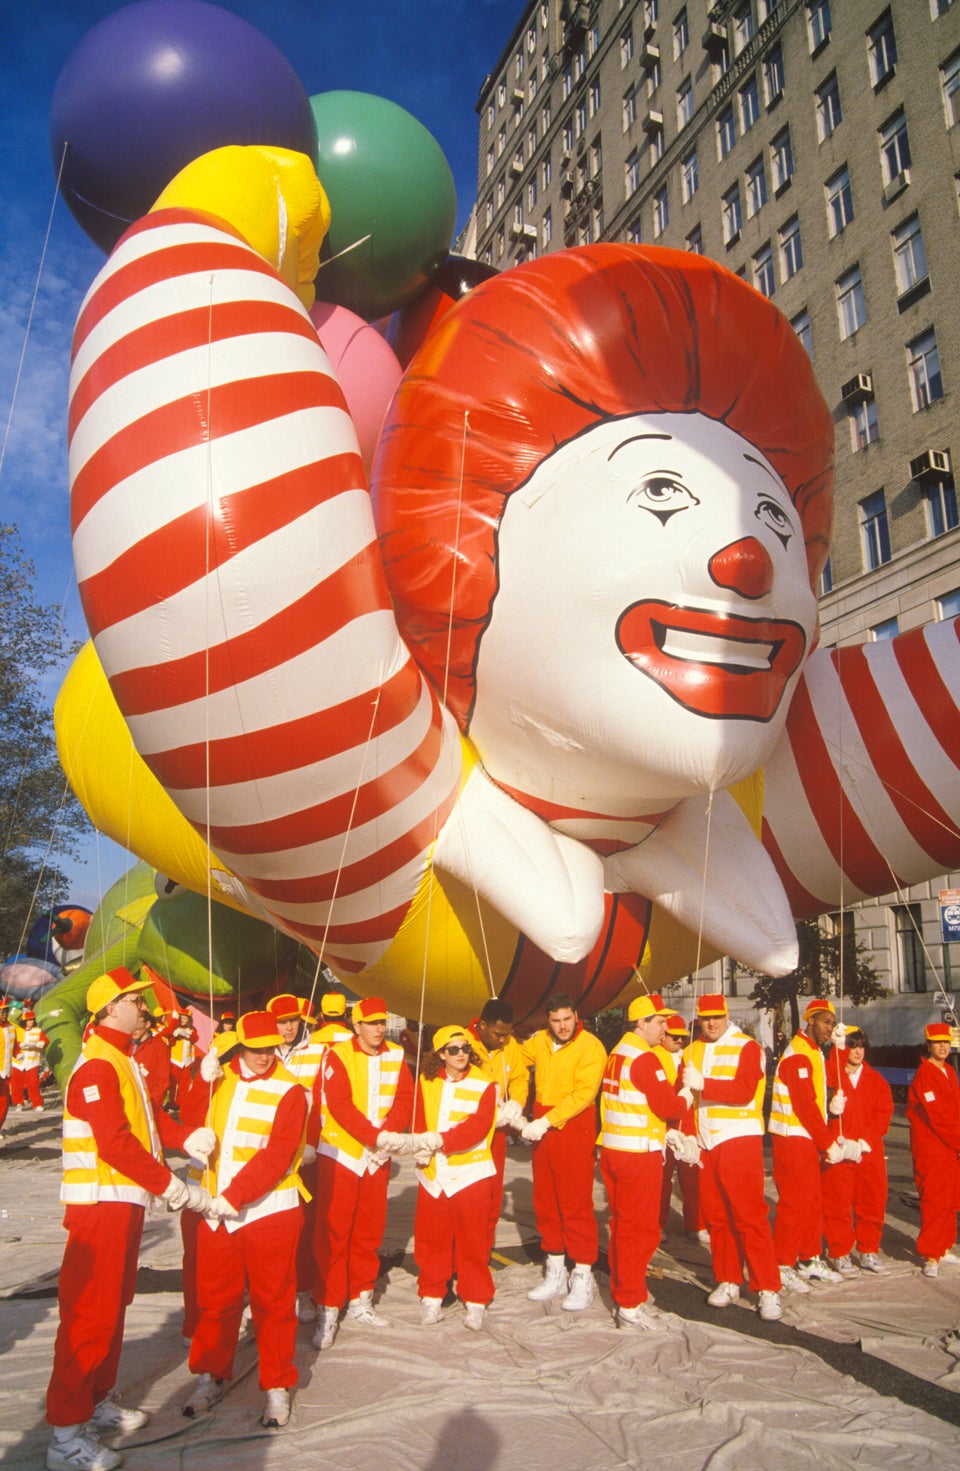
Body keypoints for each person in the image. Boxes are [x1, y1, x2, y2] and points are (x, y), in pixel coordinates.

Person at [45, 967, 212, 1471]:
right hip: (100, 1204)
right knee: (89, 1315)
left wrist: (186, 1138)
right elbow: (115, 1141)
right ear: (108, 1009)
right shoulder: (97, 1066)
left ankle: (94, 1401)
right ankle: (65, 1434)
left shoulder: (125, 1062)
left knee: (112, 1306)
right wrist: (170, 1184)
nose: (144, 1007)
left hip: (123, 1203)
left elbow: (150, 1121)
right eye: (135, 1001)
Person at [181, 1010, 308, 1430]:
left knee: (273, 1302)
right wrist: (202, 1079)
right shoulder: (222, 1077)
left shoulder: (291, 1090)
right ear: (240, 1047)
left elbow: (278, 1154)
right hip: (220, 1211)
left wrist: (232, 1197)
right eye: (255, 1049)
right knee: (216, 1299)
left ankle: (276, 1384)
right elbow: (190, 1121)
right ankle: (211, 1374)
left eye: (270, 1048)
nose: (264, 1056)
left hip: (270, 1209)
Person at [308, 996, 414, 1349]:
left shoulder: (397, 1055)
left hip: (377, 1156)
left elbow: (404, 1099)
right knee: (334, 1231)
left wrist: (386, 1138)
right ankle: (328, 1307)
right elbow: (338, 1105)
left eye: (382, 1022)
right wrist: (374, 1136)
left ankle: (360, 1298)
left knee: (368, 1230)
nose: (380, 1029)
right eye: (372, 1023)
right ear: (356, 1026)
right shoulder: (337, 1055)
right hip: (341, 1153)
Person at [679, 994, 782, 1321]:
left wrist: (704, 1084)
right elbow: (685, 1096)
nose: (711, 1023)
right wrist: (685, 1133)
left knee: (749, 1214)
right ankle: (728, 1278)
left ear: (727, 1015)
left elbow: (744, 1090)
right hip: (706, 1140)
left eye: (717, 1017)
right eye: (706, 1017)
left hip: (738, 1136)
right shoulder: (692, 1049)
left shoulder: (747, 1047)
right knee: (716, 1214)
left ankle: (767, 1287)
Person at [599, 994, 688, 1328]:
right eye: (660, 1021)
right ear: (642, 1023)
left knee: (623, 1226)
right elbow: (669, 1107)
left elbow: (630, 1104)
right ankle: (630, 1303)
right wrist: (688, 1093)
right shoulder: (645, 1058)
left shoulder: (616, 1053)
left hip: (615, 1149)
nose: (665, 1028)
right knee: (641, 1230)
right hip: (638, 1155)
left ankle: (627, 1291)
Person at [520, 992, 607, 1311]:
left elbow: (584, 1094)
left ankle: (582, 1272)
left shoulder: (591, 1047)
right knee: (545, 1199)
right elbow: (514, 1058)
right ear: (548, 1020)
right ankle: (555, 1267)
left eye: (567, 1019)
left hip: (574, 1124)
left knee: (575, 1200)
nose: (562, 1026)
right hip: (545, 1122)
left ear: (576, 1015)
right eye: (555, 1021)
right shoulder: (540, 1039)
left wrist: (545, 1122)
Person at [412, 1025, 497, 1330]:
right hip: (434, 1171)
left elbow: (479, 1125)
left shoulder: (486, 1083)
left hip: (471, 1172)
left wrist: (441, 1141)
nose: (461, 1054)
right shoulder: (426, 1080)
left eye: (464, 1048)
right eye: (453, 1050)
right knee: (432, 1237)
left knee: (472, 1240)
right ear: (440, 1055)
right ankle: (432, 1296)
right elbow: (419, 1117)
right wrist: (421, 1145)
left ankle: (475, 1300)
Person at [769, 997, 854, 1291]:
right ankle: (782, 1263)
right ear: (810, 1021)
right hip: (792, 1136)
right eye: (825, 1022)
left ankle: (808, 1257)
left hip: (804, 1137)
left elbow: (826, 1087)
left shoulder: (814, 1051)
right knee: (794, 1202)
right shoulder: (798, 1054)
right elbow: (804, 1105)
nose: (829, 1028)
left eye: (832, 1023)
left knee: (811, 1200)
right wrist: (827, 1141)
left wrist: (840, 1051)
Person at [266, 993, 328, 1322]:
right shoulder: (262, 1051)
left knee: (306, 1224)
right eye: (282, 1022)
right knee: (269, 1227)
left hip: (306, 1154)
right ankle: (271, 1293)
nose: (288, 1028)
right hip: (268, 1153)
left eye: (292, 1021)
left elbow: (323, 1104)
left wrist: (312, 1145)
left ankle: (304, 1290)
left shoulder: (318, 1051)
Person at [821, 1026, 894, 1275]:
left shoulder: (876, 1080)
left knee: (872, 1201)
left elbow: (883, 1115)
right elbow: (822, 1099)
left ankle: (868, 1250)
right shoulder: (833, 1077)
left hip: (868, 1152)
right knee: (837, 1203)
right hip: (839, 1149)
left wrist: (863, 1143)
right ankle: (840, 1252)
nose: (858, 1051)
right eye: (852, 1046)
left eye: (861, 1046)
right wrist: (832, 1109)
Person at [467, 998, 530, 1251]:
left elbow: (519, 1077)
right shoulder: (462, 1045)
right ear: (482, 1026)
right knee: (471, 1194)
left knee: (493, 1193)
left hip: (497, 1133)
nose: (503, 1040)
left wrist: (516, 1101)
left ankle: (483, 1249)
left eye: (507, 1034)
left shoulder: (510, 1045)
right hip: (469, 1136)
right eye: (498, 1034)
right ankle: (465, 1249)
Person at [905, 1020, 960, 1278]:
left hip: (949, 1148)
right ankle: (930, 1254)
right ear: (928, 1045)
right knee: (934, 1201)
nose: (943, 1047)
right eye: (938, 1042)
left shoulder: (948, 1071)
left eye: (946, 1042)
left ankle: (944, 1245)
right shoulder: (925, 1074)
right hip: (931, 1148)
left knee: (950, 1200)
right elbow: (937, 1116)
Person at [655, 1013, 703, 1241]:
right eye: (675, 1037)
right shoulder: (653, 1056)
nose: (679, 1041)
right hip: (664, 1126)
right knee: (662, 1180)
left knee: (692, 1176)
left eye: (683, 1037)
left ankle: (695, 1225)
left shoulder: (689, 1056)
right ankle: (658, 1225)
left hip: (686, 1124)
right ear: (663, 1036)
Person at [11, 1007, 49, 1110]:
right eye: (28, 1020)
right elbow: (13, 1045)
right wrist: (16, 1054)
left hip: (32, 1061)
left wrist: (42, 1043)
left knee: (32, 1083)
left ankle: (37, 1103)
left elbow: (45, 1040)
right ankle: (19, 1102)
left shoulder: (38, 1031)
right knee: (16, 1084)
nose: (30, 1022)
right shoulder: (18, 1031)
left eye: (32, 1020)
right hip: (18, 1062)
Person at [0, 998, 15, 1143]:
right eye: (2, 1012)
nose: (4, 1014)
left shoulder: (11, 1027)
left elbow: (15, 1044)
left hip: (6, 1070)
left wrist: (19, 1052)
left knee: (4, 1103)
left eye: (6, 1011)